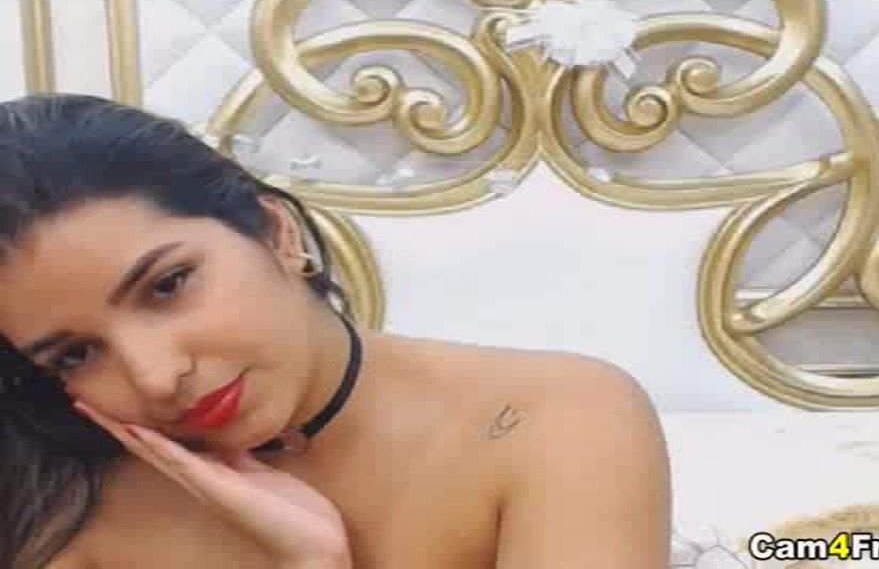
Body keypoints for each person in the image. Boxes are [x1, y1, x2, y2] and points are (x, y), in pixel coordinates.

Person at [0, 94, 672, 568]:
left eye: (168, 286)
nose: (155, 377)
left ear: (276, 232)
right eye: (76, 354)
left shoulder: (548, 423)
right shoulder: (67, 506)